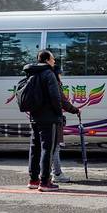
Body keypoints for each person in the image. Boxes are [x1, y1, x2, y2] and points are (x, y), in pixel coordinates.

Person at [25, 50, 64, 191]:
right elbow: (55, 97)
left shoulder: (32, 73)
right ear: (47, 60)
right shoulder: (49, 74)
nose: (54, 61)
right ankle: (45, 182)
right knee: (47, 148)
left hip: (34, 117)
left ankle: (33, 180)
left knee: (34, 148)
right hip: (49, 118)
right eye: (53, 59)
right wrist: (59, 114)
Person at [51, 63, 80, 183]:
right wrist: (76, 110)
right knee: (55, 147)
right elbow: (63, 102)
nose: (61, 76)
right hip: (53, 120)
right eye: (60, 74)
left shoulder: (42, 82)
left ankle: (42, 175)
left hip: (41, 119)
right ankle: (57, 173)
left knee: (46, 148)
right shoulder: (54, 84)